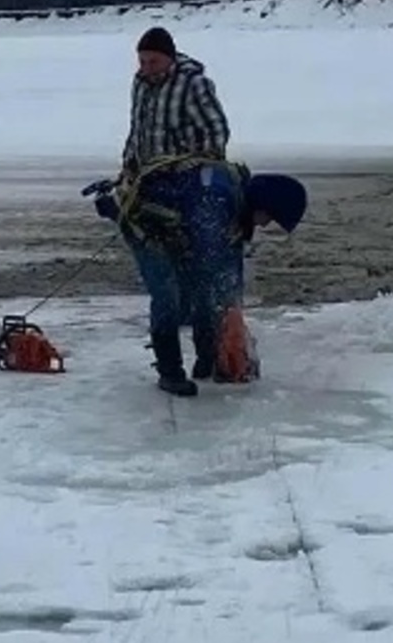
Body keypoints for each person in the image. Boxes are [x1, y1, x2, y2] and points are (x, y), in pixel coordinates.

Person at [98, 26, 306, 395]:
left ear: (171, 58)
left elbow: (216, 132)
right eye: (142, 61)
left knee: (198, 285)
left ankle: (208, 359)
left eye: (154, 61)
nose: (147, 68)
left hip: (176, 191)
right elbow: (216, 268)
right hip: (146, 213)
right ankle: (170, 370)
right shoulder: (218, 198)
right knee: (169, 293)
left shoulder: (194, 88)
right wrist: (128, 177)